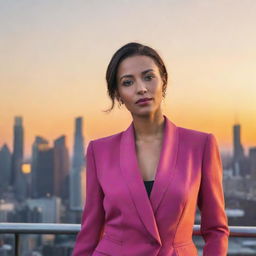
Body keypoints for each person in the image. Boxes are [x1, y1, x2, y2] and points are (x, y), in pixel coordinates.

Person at [72, 42, 230, 256]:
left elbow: (216, 229)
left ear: (163, 81)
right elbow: (90, 233)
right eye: (128, 82)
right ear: (118, 94)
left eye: (148, 77)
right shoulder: (99, 152)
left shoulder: (200, 146)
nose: (141, 88)